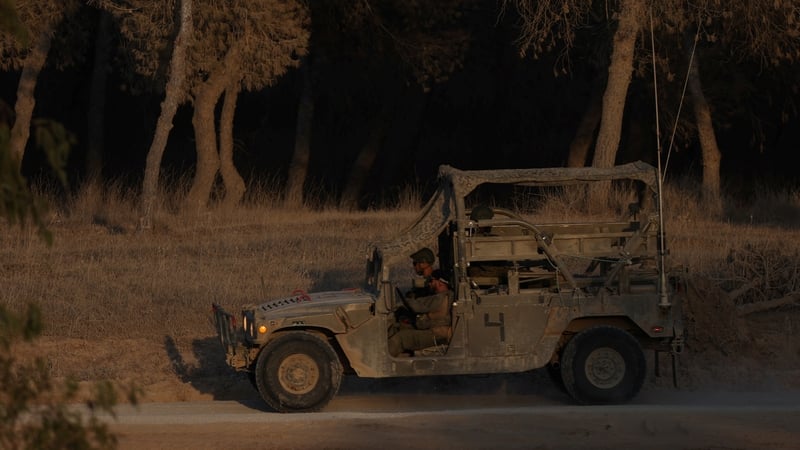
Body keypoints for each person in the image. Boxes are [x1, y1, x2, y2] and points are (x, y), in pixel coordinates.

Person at [389, 269, 453, 357]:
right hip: (437, 332)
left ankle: (380, 363)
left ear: (440, 283)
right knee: (399, 327)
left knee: (400, 338)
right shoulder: (448, 295)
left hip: (435, 335)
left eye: (432, 281)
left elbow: (417, 305)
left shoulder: (439, 298)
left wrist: (407, 300)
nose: (429, 283)